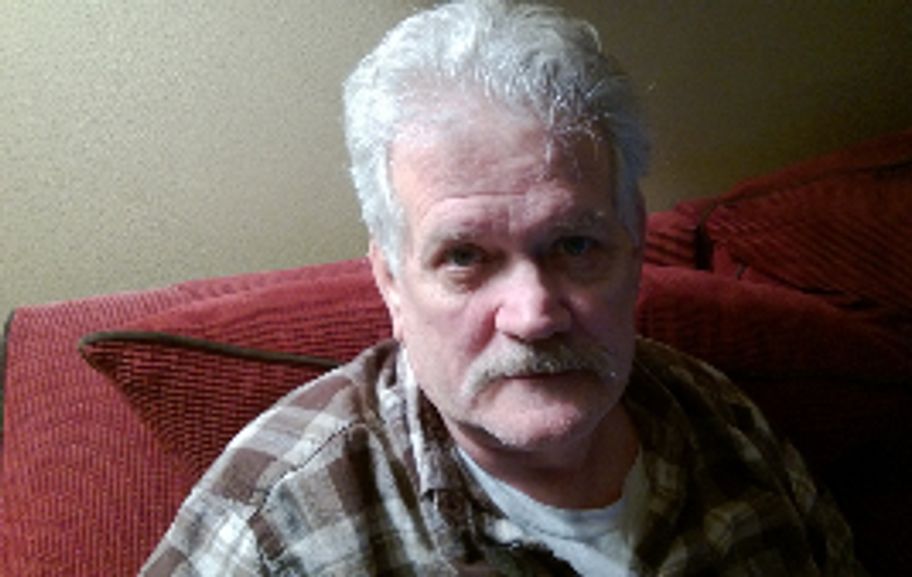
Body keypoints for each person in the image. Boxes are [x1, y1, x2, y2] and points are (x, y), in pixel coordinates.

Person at [141, 1, 866, 575]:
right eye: (465, 257)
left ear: (635, 242)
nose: (535, 314)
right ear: (391, 280)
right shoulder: (275, 525)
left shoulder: (723, 423)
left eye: (576, 245)